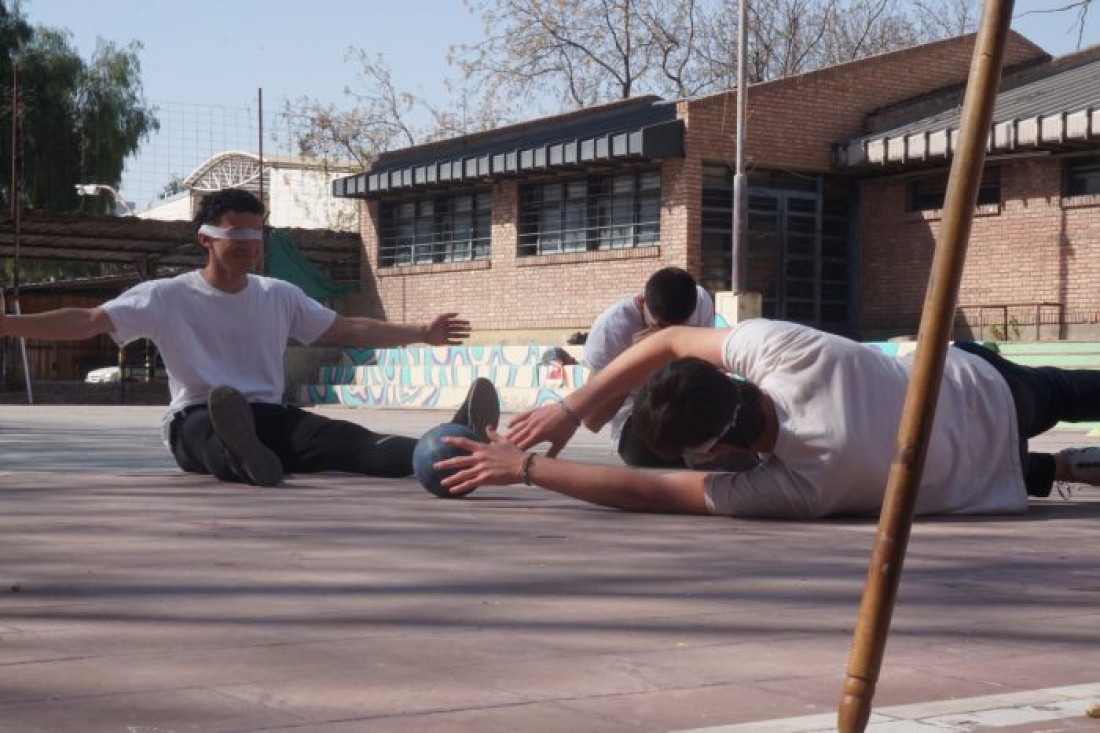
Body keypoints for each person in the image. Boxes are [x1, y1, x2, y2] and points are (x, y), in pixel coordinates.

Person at [0, 187, 496, 487]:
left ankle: (450, 444)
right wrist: (9, 324)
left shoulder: (277, 294)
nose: (249, 248)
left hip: (268, 415)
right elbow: (85, 320)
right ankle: (246, 456)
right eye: (236, 236)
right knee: (213, 436)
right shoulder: (165, 296)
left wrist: (422, 333)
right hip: (195, 417)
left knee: (354, 443)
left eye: (257, 237)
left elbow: (347, 328)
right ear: (206, 239)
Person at [434, 319, 1100, 518]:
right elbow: (667, 341)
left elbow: (648, 491)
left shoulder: (797, 487)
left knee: (920, 475)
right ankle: (1065, 454)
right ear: (731, 378)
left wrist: (527, 467)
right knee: (1068, 392)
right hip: (983, 384)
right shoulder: (783, 350)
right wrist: (568, 409)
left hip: (991, 474)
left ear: (713, 450)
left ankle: (1063, 466)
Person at [582, 266, 715, 468]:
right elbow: (592, 420)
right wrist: (633, 365)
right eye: (660, 328)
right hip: (636, 415)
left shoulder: (701, 301)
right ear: (641, 302)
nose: (668, 338)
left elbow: (710, 373)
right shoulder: (611, 329)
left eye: (678, 330)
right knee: (656, 453)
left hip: (686, 402)